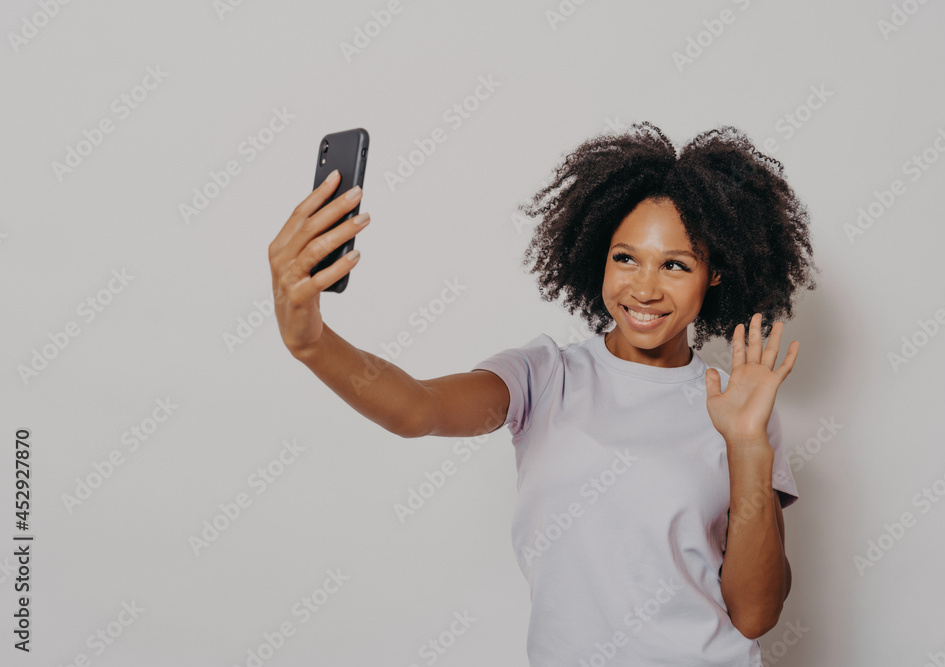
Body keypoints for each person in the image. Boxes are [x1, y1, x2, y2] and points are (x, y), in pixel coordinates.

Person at [268, 121, 819, 666]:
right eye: (625, 258)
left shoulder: (739, 406)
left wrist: (747, 444)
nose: (645, 288)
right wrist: (311, 342)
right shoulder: (545, 375)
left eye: (675, 265)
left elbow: (754, 614)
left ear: (715, 273)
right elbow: (417, 409)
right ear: (598, 253)